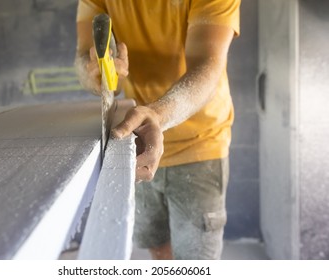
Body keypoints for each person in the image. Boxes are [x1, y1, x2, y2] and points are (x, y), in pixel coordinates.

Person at [75, 0, 240, 260]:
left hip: (198, 144)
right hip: (136, 140)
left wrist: (158, 114)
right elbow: (84, 57)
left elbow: (208, 65)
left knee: (196, 263)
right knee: (157, 247)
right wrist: (94, 72)